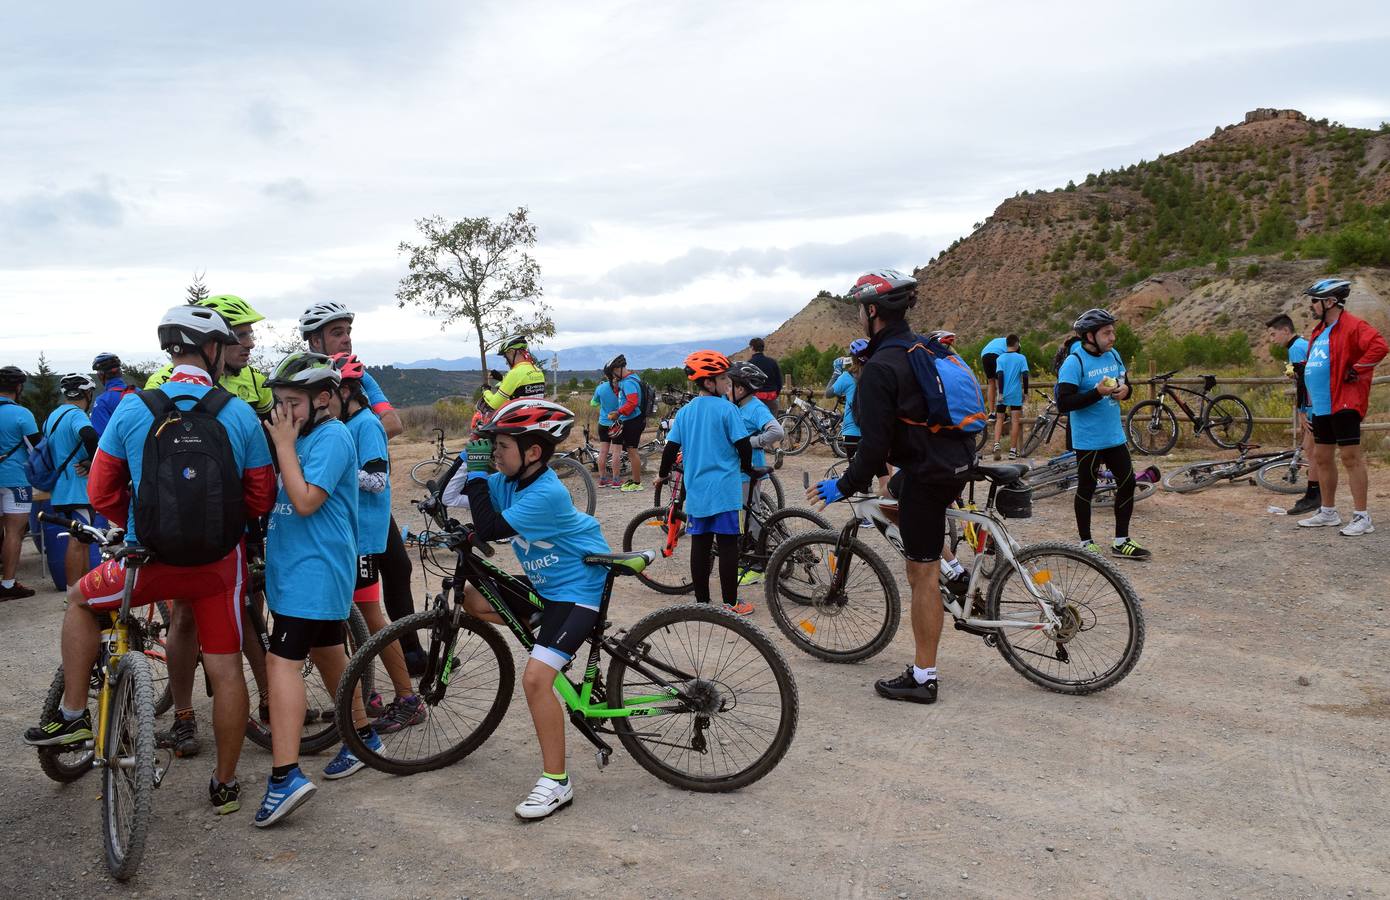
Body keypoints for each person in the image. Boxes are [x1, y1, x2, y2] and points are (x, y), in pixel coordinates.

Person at [24, 305, 276, 818]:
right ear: (211, 349)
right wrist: (221, 528)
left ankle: (73, 713)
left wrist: (139, 523)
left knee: (80, 600)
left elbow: (101, 488)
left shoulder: (135, 408)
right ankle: (225, 787)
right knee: (227, 672)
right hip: (217, 566)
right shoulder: (238, 412)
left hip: (146, 560)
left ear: (172, 351)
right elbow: (261, 495)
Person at [807, 270, 975, 705]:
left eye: (861, 308)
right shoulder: (924, 347)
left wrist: (843, 485)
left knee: (921, 575)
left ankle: (923, 677)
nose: (861, 315)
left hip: (928, 472)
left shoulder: (882, 365)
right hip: (955, 459)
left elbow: (874, 445)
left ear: (872, 311)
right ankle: (957, 570)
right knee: (895, 496)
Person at [443, 399, 611, 820]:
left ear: (533, 452)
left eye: (502, 446)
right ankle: (546, 632)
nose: (496, 454)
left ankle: (557, 782)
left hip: (577, 589)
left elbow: (491, 528)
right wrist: (471, 454)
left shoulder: (547, 491)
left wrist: (480, 473)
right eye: (494, 446)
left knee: (536, 681)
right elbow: (449, 495)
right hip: (547, 586)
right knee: (472, 598)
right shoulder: (509, 481)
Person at [255, 352, 375, 826]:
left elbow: (306, 501)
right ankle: (364, 737)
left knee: (280, 661)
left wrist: (283, 445)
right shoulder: (304, 434)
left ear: (324, 398)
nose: (284, 413)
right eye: (278, 403)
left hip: (317, 568)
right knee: (328, 651)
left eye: (293, 403)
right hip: (297, 566)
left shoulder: (332, 436)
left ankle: (284, 776)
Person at [299, 300, 421, 668]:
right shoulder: (304, 375)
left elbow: (393, 424)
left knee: (398, 571)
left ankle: (410, 653)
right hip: (335, 502)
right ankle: (366, 664)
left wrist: (339, 447)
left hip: (365, 498)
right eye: (338, 333)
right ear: (314, 340)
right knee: (356, 594)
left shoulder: (358, 376)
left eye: (349, 331)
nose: (347, 339)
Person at [331, 352, 424, 733]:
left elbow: (376, 480)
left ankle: (407, 697)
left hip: (366, 537)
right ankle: (368, 692)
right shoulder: (348, 421)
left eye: (329, 391)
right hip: (352, 534)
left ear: (348, 390)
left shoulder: (366, 424)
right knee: (356, 619)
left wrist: (336, 468)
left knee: (372, 618)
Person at [656, 351, 757, 615]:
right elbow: (743, 445)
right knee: (726, 544)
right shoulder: (728, 409)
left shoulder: (686, 412)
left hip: (698, 489)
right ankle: (731, 603)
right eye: (724, 379)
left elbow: (671, 448)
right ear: (710, 382)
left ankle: (702, 603)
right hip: (724, 489)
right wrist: (748, 468)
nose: (728, 384)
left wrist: (663, 473)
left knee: (700, 544)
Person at [1295, 279, 1387, 536]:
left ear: (1330, 302)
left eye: (1314, 300)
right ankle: (1328, 511)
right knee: (1322, 458)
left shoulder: (1352, 325)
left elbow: (1379, 346)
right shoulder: (1318, 331)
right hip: (1322, 405)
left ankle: (1362, 516)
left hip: (1344, 401)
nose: (1311, 305)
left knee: (1350, 457)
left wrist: (1357, 369)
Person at [1056, 309, 1149, 561]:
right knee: (1087, 487)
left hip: (1113, 436)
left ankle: (1121, 541)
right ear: (1089, 336)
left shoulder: (1113, 355)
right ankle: (1086, 543)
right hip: (1088, 440)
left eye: (1112, 331)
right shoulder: (1075, 362)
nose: (1113, 337)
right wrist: (1097, 392)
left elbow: (1125, 383)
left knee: (1127, 483)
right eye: (1106, 332)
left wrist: (1125, 391)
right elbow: (1063, 403)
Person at [147, 295, 274, 417]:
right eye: (239, 336)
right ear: (214, 341)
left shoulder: (256, 379)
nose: (251, 344)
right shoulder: (161, 382)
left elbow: (271, 430)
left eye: (250, 334)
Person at [729, 360, 786, 585]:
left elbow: (777, 431)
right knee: (747, 514)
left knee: (751, 518)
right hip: (741, 471)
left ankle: (757, 565)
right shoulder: (740, 406)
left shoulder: (755, 407)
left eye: (729, 385)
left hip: (750, 471)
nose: (726, 389)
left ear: (740, 389)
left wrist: (752, 442)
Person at [43, 374, 100, 588]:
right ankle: (73, 592)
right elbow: (90, 436)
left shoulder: (52, 416)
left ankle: (81, 590)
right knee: (78, 541)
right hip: (77, 487)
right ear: (87, 393)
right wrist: (92, 461)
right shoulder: (77, 415)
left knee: (81, 540)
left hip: (61, 487)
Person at [1265, 313, 1319, 515]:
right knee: (1311, 449)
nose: (1272, 340)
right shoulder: (1301, 345)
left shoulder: (1296, 348)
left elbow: (1303, 383)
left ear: (1285, 331)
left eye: (1273, 334)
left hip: (1313, 406)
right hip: (1317, 402)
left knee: (1313, 452)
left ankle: (1314, 496)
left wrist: (1302, 411)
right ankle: (1313, 494)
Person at [0, 366, 40, 601]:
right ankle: (7, 584)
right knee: (14, 533)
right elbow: (37, 448)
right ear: (18, 387)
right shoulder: (22, 414)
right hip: (16, 481)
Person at [478, 332, 547, 422]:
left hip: (519, 420)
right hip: (535, 418)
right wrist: (501, 378)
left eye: (506, 356)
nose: (506, 362)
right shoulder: (538, 370)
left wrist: (485, 390)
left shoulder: (514, 373)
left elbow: (494, 404)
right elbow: (522, 386)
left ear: (511, 352)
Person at [602, 354, 646, 492]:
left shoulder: (628, 383)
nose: (613, 377)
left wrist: (617, 413)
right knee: (632, 452)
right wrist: (616, 387)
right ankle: (635, 479)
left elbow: (632, 402)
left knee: (633, 452)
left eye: (612, 373)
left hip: (633, 420)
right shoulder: (631, 379)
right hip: (633, 419)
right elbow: (623, 398)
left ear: (617, 369)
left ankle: (637, 483)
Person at [991, 335, 1030, 460]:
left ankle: (996, 444)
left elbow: (1000, 375)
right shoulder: (1021, 358)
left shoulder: (1000, 358)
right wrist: (1026, 392)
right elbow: (1025, 375)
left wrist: (1001, 393)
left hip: (1002, 394)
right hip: (1015, 394)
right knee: (1015, 421)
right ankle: (1013, 451)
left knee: (999, 419)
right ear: (1017, 343)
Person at [589, 374, 621, 488]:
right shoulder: (621, 387)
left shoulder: (600, 388)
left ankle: (602, 479)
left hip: (602, 423)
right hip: (616, 424)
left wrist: (602, 402)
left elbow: (593, 403)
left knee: (603, 452)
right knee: (616, 452)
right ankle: (616, 480)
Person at [89, 353, 133, 435]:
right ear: (120, 373)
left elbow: (102, 438)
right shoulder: (140, 392)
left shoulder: (102, 401)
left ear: (101, 375)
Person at [747, 337, 783, 417]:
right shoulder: (772, 362)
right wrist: (775, 394)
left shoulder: (749, 364)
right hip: (772, 399)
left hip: (755, 400)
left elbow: (746, 383)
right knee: (772, 424)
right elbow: (779, 382)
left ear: (752, 347)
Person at [979, 335, 1008, 419]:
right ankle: (1001, 412)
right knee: (1000, 383)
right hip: (997, 354)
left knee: (991, 383)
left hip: (984, 355)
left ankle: (991, 413)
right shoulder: (1014, 343)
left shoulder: (997, 340)